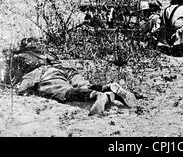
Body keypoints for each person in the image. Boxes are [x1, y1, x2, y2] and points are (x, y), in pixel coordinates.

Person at [4, 38, 137, 116]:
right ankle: (107, 88)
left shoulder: (19, 57)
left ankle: (97, 95)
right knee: (84, 85)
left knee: (66, 92)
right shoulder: (49, 54)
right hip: (66, 69)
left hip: (46, 73)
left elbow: (9, 79)